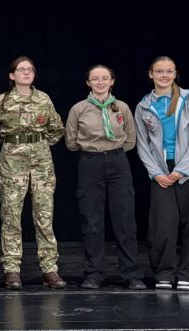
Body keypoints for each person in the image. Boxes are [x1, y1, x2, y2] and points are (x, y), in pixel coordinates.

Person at [0, 56, 67, 290]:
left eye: (30, 69)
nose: (26, 73)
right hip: (12, 163)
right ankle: (12, 269)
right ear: (12, 75)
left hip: (41, 163)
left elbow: (56, 129)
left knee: (44, 216)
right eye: (21, 70)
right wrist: (12, 144)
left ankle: (49, 268)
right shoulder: (1, 102)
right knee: (11, 215)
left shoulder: (43, 99)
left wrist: (37, 145)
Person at [65, 65, 146, 290]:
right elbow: (70, 141)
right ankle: (94, 273)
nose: (100, 82)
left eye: (104, 78)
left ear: (112, 81)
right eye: (95, 79)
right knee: (92, 221)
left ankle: (132, 274)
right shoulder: (79, 109)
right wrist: (94, 149)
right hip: (90, 162)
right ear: (88, 83)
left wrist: (112, 150)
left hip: (118, 162)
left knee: (125, 220)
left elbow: (130, 139)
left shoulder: (121, 107)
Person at [134, 56, 189, 291]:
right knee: (162, 225)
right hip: (161, 174)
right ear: (151, 74)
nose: (164, 76)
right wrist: (156, 173)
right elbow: (142, 144)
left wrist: (181, 170)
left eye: (169, 71)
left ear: (175, 73)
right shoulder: (144, 105)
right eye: (159, 71)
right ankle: (164, 273)